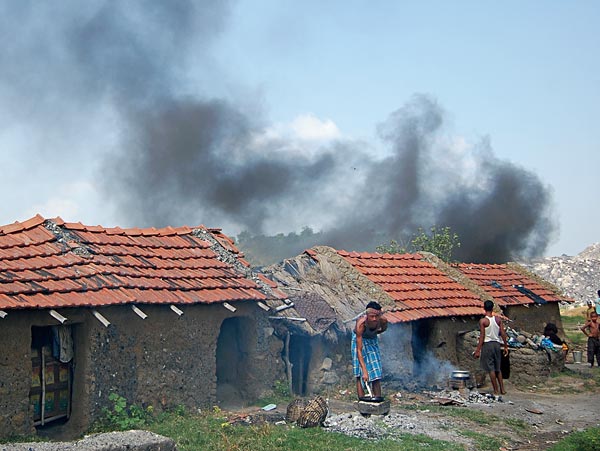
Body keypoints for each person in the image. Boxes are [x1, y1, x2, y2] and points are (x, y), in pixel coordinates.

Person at [352, 301, 388, 399]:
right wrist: (364, 371)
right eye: (372, 316)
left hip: (372, 340)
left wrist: (375, 333)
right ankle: (362, 399)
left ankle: (377, 399)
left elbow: (383, 329)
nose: (374, 319)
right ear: (367, 315)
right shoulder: (361, 324)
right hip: (359, 340)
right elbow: (359, 350)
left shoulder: (383, 321)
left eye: (377, 316)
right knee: (359, 372)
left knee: (376, 371)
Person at [474, 300, 509, 395]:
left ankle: (496, 390)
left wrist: (478, 350)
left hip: (488, 345)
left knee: (491, 368)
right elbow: (503, 333)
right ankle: (502, 389)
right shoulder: (498, 320)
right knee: (498, 368)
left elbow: (482, 336)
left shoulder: (483, 321)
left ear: (484, 308)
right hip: (497, 345)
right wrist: (505, 346)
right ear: (492, 308)